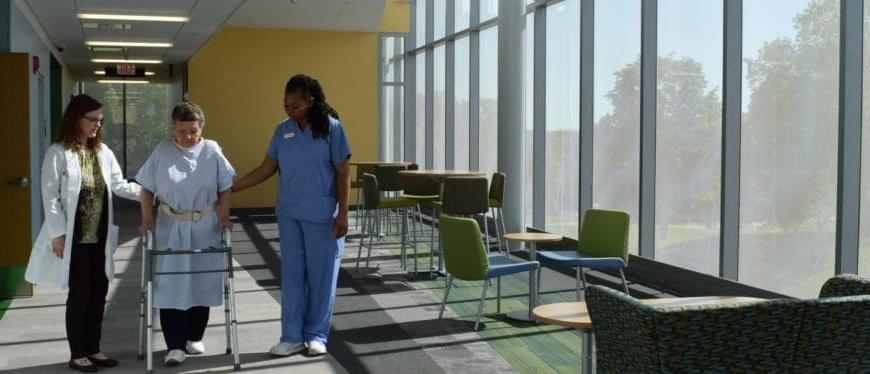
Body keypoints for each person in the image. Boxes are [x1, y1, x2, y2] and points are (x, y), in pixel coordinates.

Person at [233, 74, 351, 356]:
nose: (290, 110)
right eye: (286, 105)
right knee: (293, 276)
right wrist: (230, 188)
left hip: (324, 215)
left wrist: (343, 214)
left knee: (322, 278)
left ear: (311, 102)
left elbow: (344, 172)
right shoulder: (281, 130)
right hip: (290, 213)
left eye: (295, 105)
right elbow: (266, 168)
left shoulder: (332, 129)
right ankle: (291, 336)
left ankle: (317, 335)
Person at [25, 94, 142, 373]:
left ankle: (94, 347)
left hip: (99, 237)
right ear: (76, 118)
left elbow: (120, 185)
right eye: (92, 120)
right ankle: (78, 353)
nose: (97, 125)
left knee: (99, 292)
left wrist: (151, 192)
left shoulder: (103, 152)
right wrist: (57, 234)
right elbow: (50, 195)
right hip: (74, 238)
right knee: (80, 295)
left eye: (100, 120)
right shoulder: (58, 152)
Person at [135, 101, 235, 366]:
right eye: (182, 132)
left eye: (193, 131)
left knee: (202, 281)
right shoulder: (162, 151)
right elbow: (146, 188)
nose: (188, 137)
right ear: (172, 129)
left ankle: (194, 336)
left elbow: (225, 187)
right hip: (171, 225)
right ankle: (175, 346)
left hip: (205, 225)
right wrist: (146, 220)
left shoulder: (212, 150)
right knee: (171, 284)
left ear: (201, 128)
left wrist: (224, 217)